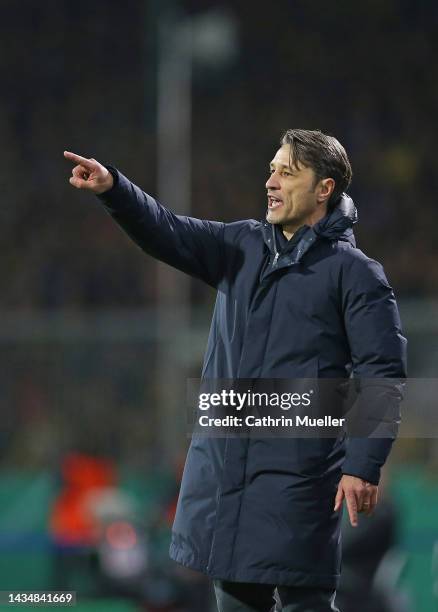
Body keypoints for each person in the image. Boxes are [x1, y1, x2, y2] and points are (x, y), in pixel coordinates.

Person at [64, 129, 407, 612]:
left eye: (287, 172)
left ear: (324, 189)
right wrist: (114, 189)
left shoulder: (355, 273)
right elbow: (167, 229)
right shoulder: (240, 245)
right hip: (227, 476)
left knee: (303, 600)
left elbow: (382, 371)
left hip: (298, 479)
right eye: (271, 169)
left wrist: (362, 466)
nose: (270, 181)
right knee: (234, 598)